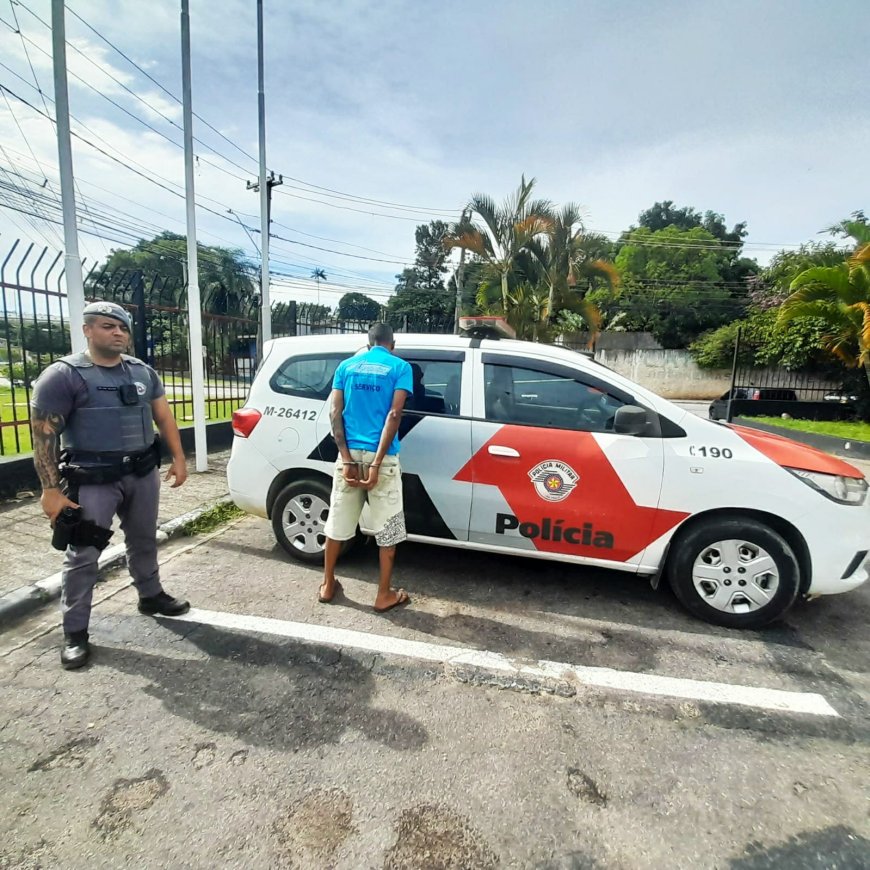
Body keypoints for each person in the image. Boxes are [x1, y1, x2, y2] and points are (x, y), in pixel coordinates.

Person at [30, 301, 191, 670]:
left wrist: (179, 459)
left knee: (144, 539)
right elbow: (44, 435)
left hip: (141, 473)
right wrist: (50, 489)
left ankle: (150, 595)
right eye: (107, 326)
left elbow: (163, 417)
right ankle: (74, 633)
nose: (117, 333)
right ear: (87, 330)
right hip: (92, 479)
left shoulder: (142, 371)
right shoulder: (63, 375)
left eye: (122, 328)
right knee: (84, 554)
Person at [319, 322, 413, 612]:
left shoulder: (346, 367)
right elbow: (394, 414)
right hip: (381, 459)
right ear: (392, 344)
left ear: (369, 342)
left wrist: (346, 457)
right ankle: (383, 594)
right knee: (388, 529)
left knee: (337, 521)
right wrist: (375, 463)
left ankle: (327, 584)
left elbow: (335, 413)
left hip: (348, 457)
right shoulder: (400, 368)